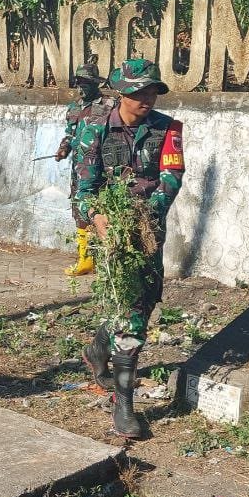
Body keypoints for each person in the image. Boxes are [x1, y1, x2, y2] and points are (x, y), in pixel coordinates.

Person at [74, 59, 185, 439]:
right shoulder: (93, 129)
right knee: (130, 314)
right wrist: (97, 216)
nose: (148, 99)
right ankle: (124, 408)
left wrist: (145, 214)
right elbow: (83, 192)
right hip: (113, 234)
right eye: (140, 92)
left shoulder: (168, 128)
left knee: (147, 300)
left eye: (153, 91)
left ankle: (96, 351)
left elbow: (172, 177)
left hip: (149, 230)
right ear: (121, 93)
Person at [56, 63, 115, 276]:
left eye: (84, 84)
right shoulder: (74, 108)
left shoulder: (109, 104)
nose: (80, 89)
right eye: (78, 84)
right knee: (80, 210)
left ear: (94, 84)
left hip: (102, 169)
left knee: (103, 211)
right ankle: (86, 260)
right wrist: (63, 149)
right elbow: (70, 135)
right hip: (80, 169)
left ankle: (107, 260)